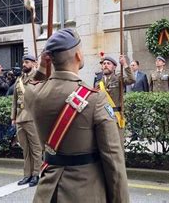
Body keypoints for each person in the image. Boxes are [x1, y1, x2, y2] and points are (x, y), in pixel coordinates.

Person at [25, 28, 129, 202]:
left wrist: (43, 65)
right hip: (85, 192)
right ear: (78, 56)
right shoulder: (95, 99)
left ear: (49, 58)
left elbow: (33, 83)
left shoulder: (34, 95)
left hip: (47, 192)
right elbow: (113, 161)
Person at [11, 55, 41, 187]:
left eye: (27, 62)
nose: (24, 64)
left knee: (35, 147)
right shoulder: (19, 79)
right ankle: (27, 175)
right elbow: (14, 100)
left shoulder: (39, 77)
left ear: (35, 63)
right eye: (24, 62)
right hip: (20, 117)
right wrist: (13, 117)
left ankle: (36, 174)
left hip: (32, 117)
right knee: (25, 148)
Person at [96, 55, 135, 148]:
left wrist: (125, 64)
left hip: (115, 117)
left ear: (114, 67)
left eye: (108, 64)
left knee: (118, 146)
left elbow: (132, 79)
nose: (105, 65)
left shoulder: (118, 79)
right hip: (102, 117)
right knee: (103, 145)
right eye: (104, 63)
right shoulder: (98, 82)